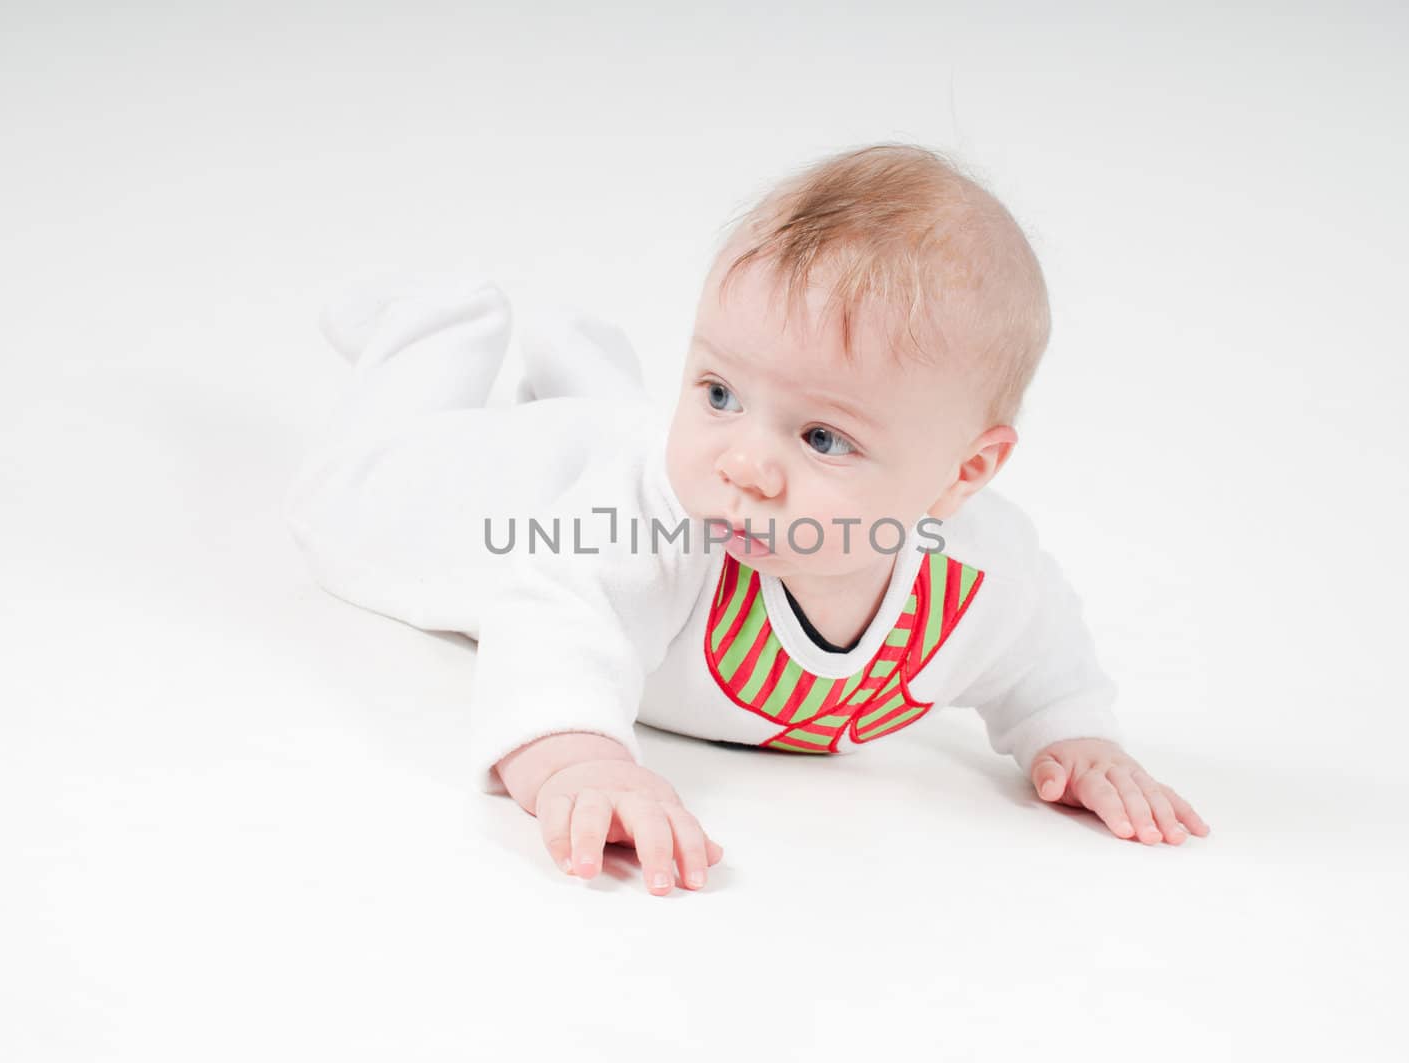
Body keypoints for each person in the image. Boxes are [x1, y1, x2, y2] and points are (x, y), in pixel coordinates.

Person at [285, 142, 1209, 898]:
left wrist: (1071, 733)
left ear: (961, 474)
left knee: (671, 446)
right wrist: (576, 752)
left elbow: (1042, 653)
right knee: (349, 509)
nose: (749, 464)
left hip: (635, 449)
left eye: (821, 436)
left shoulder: (977, 579)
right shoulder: (658, 515)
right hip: (526, 493)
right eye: (720, 387)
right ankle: (439, 329)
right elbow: (559, 609)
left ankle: (595, 373)